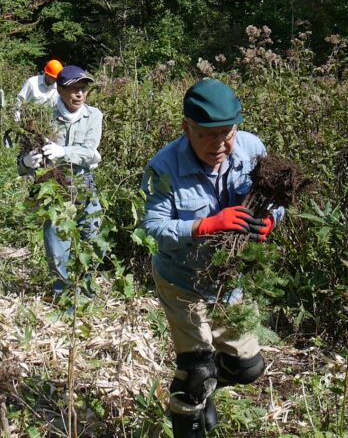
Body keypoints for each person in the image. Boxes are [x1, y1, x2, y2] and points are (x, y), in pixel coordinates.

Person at [139, 78, 284, 438]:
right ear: (186, 127)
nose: (219, 145)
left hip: (227, 283)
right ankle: (190, 413)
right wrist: (205, 225)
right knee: (197, 371)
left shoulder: (252, 149)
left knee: (248, 367)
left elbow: (274, 201)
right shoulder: (164, 167)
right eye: (207, 134)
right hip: (182, 280)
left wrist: (270, 221)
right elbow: (154, 227)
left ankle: (205, 387)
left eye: (227, 133)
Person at [18, 65, 103, 295]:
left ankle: (86, 290)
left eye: (83, 89)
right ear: (60, 90)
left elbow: (89, 152)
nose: (79, 94)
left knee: (93, 240)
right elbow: (21, 165)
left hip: (85, 185)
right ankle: (63, 296)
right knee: (57, 248)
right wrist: (27, 161)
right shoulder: (43, 117)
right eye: (73, 89)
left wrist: (63, 152)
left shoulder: (93, 116)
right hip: (55, 189)